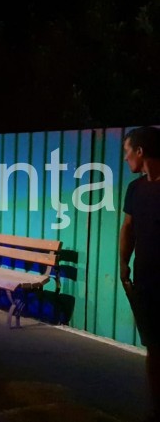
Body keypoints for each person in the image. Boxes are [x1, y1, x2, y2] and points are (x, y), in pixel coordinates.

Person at [119, 125, 160, 422]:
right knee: (154, 348)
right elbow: (128, 227)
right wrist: (124, 266)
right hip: (146, 283)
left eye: (127, 151)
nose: (125, 158)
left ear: (141, 151)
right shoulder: (135, 189)